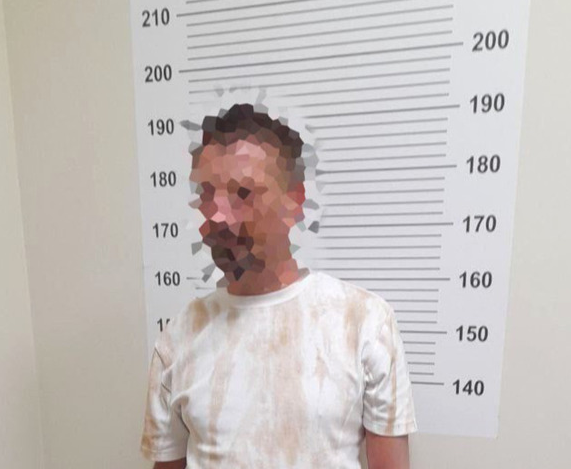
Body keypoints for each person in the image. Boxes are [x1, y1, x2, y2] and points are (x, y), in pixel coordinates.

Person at [139, 103, 417, 469]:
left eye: (242, 193)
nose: (219, 216)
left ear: (294, 201)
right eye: (207, 194)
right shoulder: (178, 338)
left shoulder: (364, 322)